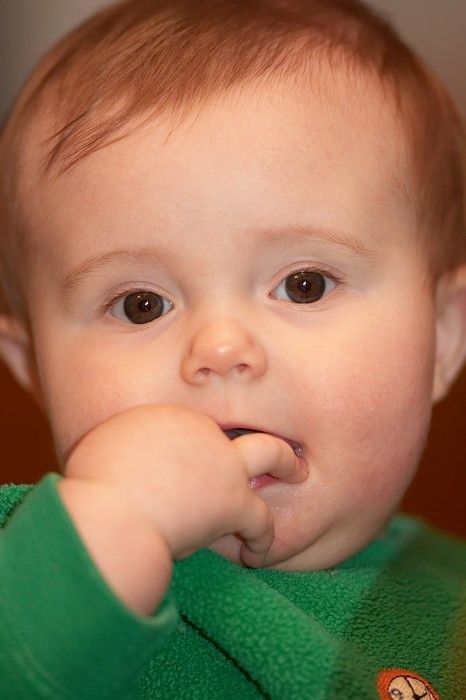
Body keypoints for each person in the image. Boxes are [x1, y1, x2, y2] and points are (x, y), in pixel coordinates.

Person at [0, 0, 464, 697]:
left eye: (303, 285)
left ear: (443, 334)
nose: (219, 349)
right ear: (32, 366)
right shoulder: (33, 562)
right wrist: (108, 528)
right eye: (140, 305)